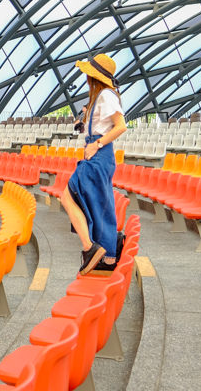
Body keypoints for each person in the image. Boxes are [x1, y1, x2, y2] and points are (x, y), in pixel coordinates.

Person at [60, 53, 128, 274]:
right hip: (100, 157)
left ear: (93, 77)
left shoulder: (107, 96)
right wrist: (85, 115)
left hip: (98, 155)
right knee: (101, 205)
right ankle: (108, 256)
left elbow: (121, 126)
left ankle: (90, 248)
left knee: (67, 197)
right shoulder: (100, 98)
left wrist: (96, 144)